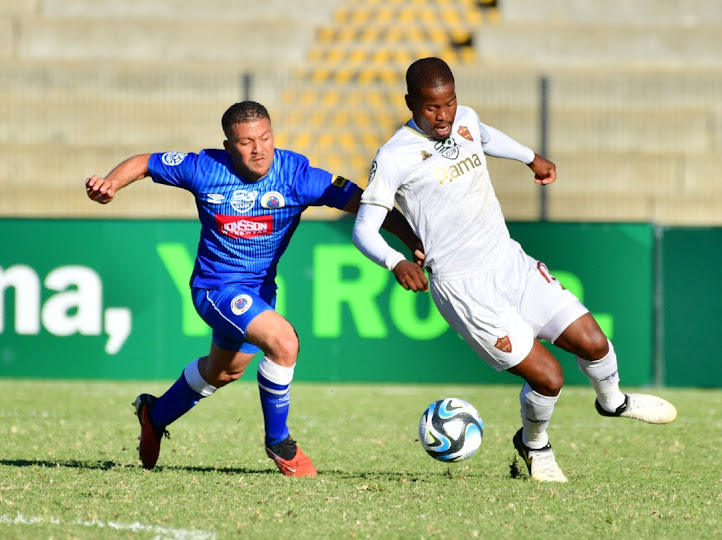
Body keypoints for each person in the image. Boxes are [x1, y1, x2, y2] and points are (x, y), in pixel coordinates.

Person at [352, 58, 677, 483]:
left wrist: (530, 158)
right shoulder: (395, 155)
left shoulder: (465, 120)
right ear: (411, 102)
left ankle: (612, 401)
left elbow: (485, 138)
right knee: (549, 378)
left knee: (594, 343)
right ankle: (534, 444)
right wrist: (394, 261)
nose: (444, 114)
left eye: (449, 102)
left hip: (509, 261)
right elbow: (364, 229)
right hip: (464, 287)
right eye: (432, 107)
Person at [86, 100, 425, 476]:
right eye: (246, 142)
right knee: (284, 342)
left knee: (224, 373)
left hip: (259, 292)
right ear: (229, 146)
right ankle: (279, 442)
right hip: (215, 289)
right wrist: (112, 182)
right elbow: (147, 162)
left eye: (265, 138)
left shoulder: (296, 175)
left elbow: (367, 203)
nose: (258, 148)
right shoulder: (205, 167)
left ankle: (155, 414)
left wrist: (410, 240)